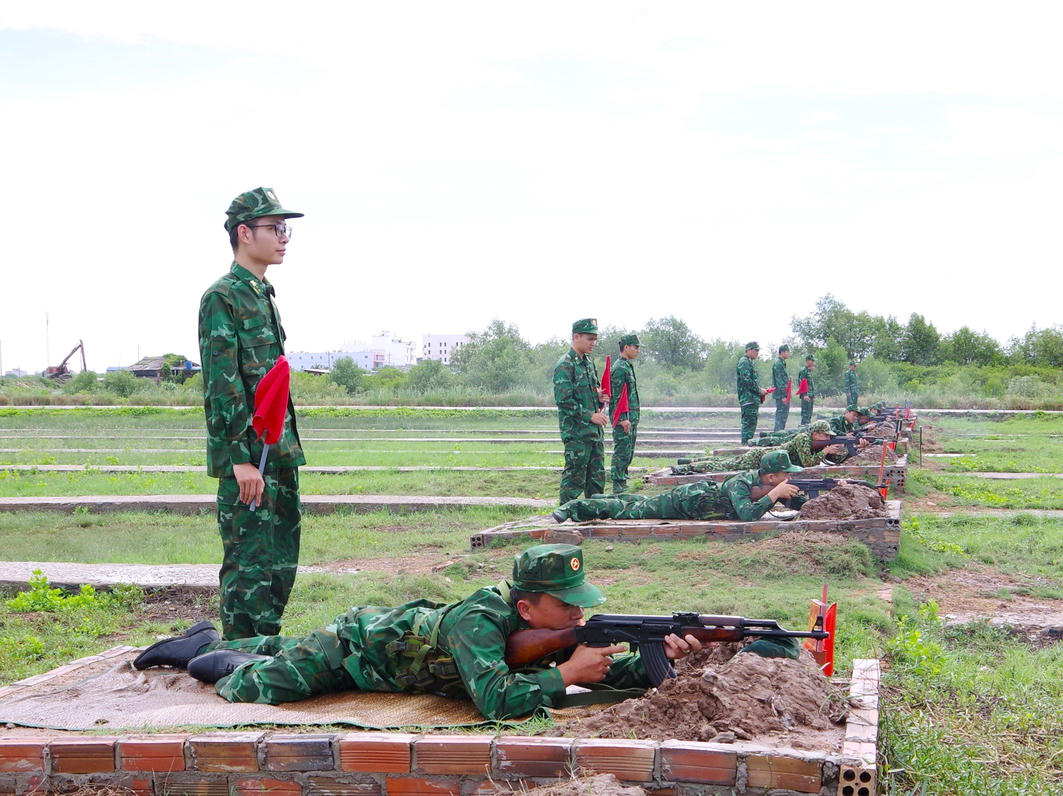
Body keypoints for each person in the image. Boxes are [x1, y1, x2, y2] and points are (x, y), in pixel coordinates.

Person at [132, 545, 704, 721]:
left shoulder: (553, 629)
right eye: (568, 607)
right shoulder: (478, 621)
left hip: (400, 646)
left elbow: (614, 669)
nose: (580, 617)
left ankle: (235, 645)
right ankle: (204, 652)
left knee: (280, 647)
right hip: (358, 651)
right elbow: (499, 701)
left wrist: (671, 660)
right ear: (526, 610)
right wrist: (566, 675)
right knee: (256, 685)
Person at [199, 187, 306, 640]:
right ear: (245, 233)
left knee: (279, 561)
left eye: (286, 229)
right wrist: (240, 459)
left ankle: (266, 651)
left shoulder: (263, 294)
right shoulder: (222, 298)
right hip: (249, 460)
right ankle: (241, 658)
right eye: (275, 228)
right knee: (249, 565)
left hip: (277, 452)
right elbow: (222, 388)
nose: (284, 237)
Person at [553, 450, 805, 522]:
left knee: (637, 502)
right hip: (685, 502)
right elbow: (748, 516)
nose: (789, 479)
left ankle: (600, 496)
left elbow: (804, 503)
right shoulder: (742, 483)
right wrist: (774, 495)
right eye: (786, 474)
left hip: (694, 501)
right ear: (771, 477)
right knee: (629, 511)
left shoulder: (766, 484)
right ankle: (576, 506)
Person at [554, 319, 608, 505]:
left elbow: (591, 390)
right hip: (577, 433)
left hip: (594, 433)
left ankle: (593, 517)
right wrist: (590, 416)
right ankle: (565, 516)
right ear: (576, 337)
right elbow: (564, 401)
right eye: (589, 338)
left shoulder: (588, 363)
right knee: (574, 479)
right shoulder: (565, 365)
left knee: (596, 479)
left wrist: (599, 396)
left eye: (595, 339)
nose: (593, 343)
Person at [670, 421, 848, 475]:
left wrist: (843, 452)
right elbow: (809, 463)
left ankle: (691, 461)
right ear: (815, 433)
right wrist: (825, 451)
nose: (827, 438)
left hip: (765, 459)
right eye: (825, 435)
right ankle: (685, 468)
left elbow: (832, 460)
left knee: (725, 462)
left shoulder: (812, 443)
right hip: (760, 457)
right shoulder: (803, 439)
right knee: (722, 466)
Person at [609, 334, 641, 494]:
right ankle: (618, 485)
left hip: (631, 418)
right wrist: (622, 419)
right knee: (622, 450)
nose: (638, 350)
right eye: (635, 347)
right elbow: (617, 396)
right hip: (624, 420)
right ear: (626, 347)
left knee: (628, 451)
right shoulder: (620, 368)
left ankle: (622, 480)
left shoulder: (626, 366)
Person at [736, 342, 767, 444]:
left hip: (751, 399)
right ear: (748, 350)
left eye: (758, 350)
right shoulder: (744, 362)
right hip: (748, 399)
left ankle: (746, 445)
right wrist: (759, 390)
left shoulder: (748, 362)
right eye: (755, 350)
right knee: (748, 425)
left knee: (751, 424)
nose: (757, 353)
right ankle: (745, 447)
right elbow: (746, 380)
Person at [771, 345, 791, 432]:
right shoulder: (778, 364)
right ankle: (777, 434)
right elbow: (779, 381)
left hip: (783, 394)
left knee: (783, 416)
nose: (788, 354)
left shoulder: (782, 363)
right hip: (781, 395)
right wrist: (783, 395)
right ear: (782, 352)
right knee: (781, 415)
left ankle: (780, 432)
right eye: (787, 352)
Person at [797, 355, 817, 426]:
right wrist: (805, 395)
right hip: (806, 396)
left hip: (810, 395)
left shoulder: (809, 371)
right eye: (812, 361)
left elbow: (811, 384)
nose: (813, 363)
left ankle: (807, 427)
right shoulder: (804, 371)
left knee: (809, 414)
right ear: (808, 361)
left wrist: (813, 396)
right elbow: (803, 384)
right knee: (805, 415)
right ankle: (803, 429)